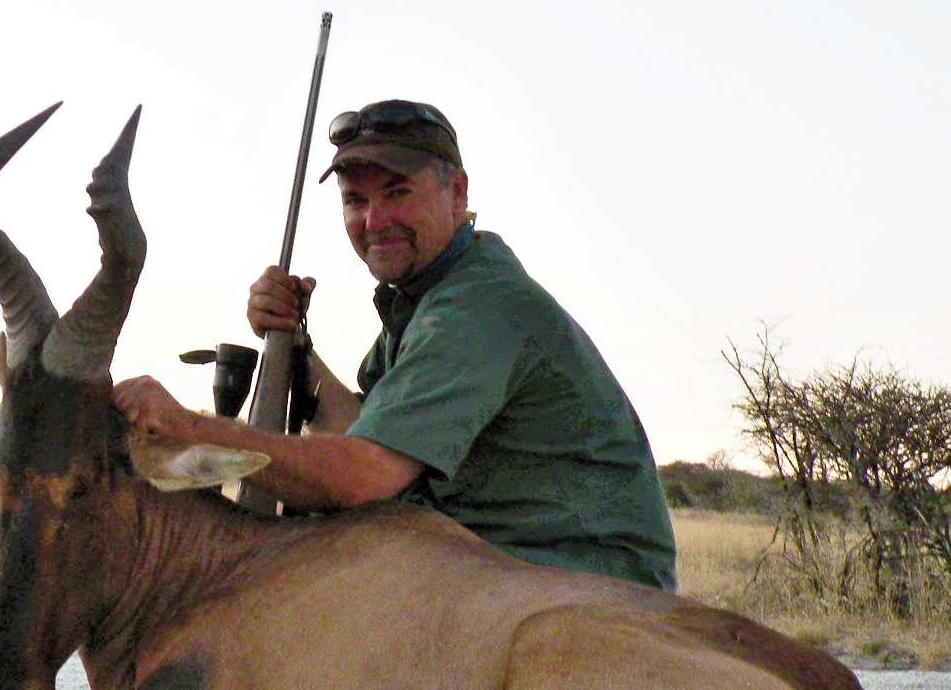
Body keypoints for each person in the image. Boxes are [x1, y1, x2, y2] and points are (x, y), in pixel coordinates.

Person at [112, 99, 678, 590]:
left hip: (578, 583)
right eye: (355, 200)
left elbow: (361, 478)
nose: (374, 219)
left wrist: (186, 427)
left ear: (456, 192)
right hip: (498, 567)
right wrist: (296, 345)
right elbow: (362, 431)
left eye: (397, 192)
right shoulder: (426, 298)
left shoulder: (478, 306)